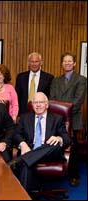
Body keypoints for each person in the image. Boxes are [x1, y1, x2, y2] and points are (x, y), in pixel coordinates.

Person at [10, 92, 71, 192]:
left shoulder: (57, 118)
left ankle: (18, 161)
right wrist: (23, 144)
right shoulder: (25, 118)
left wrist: (59, 138)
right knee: (26, 163)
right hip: (29, 150)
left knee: (54, 144)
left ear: (46, 104)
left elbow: (67, 138)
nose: (38, 105)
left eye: (41, 102)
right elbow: (16, 134)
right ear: (32, 105)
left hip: (50, 153)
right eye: (35, 102)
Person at [49, 52, 87, 186]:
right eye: (65, 61)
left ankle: (74, 176)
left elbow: (78, 100)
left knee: (73, 148)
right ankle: (57, 172)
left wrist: (64, 111)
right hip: (57, 119)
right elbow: (52, 99)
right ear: (62, 64)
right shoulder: (56, 80)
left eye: (70, 61)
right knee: (56, 145)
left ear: (75, 63)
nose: (67, 63)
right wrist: (59, 115)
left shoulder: (81, 79)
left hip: (73, 119)